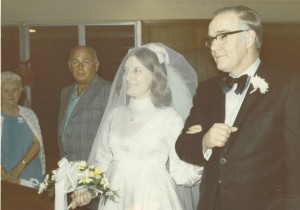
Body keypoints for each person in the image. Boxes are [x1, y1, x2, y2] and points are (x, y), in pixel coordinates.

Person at [175, 5, 300, 210]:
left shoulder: (288, 86)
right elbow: (183, 145)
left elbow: (297, 164)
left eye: (222, 36)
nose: (214, 47)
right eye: (211, 39)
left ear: (249, 38)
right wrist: (205, 140)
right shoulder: (206, 91)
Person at [70, 43, 203, 210]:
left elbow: (182, 175)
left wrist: (201, 149)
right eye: (126, 70)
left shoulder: (169, 119)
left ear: (155, 76)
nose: (127, 77)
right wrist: (89, 190)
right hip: (115, 200)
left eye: (137, 71)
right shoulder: (115, 115)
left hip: (153, 200)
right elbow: (101, 162)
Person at [57, 45, 111, 162]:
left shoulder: (108, 90)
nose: (80, 67)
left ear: (96, 66)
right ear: (69, 66)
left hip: (93, 168)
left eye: (86, 62)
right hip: (66, 165)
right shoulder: (65, 92)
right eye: (75, 62)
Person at [1, 71, 46, 189]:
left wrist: (21, 166)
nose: (11, 94)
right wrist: (5, 176)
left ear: (20, 92)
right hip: (5, 177)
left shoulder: (28, 114)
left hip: (31, 175)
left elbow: (37, 144)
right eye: (6, 91)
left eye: (15, 90)